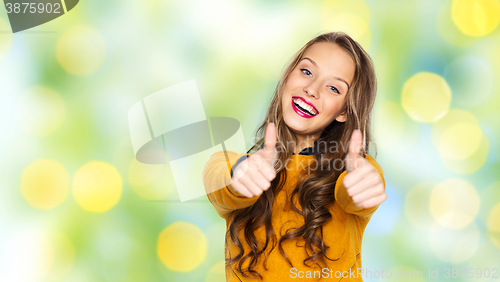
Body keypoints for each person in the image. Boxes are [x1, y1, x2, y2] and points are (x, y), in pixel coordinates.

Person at [202, 31, 386, 282]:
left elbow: (357, 192)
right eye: (307, 72)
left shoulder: (355, 171)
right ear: (287, 78)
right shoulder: (238, 165)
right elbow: (219, 178)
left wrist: (361, 187)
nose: (312, 89)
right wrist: (238, 176)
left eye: (333, 87)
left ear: (344, 110)